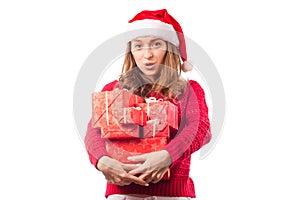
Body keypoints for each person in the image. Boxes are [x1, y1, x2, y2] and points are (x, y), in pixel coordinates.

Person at [84, 9, 212, 200]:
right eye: (138, 46)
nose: (148, 54)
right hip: (122, 194)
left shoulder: (189, 90)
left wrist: (168, 156)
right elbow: (93, 133)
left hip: (171, 195)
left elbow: (200, 129)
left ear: (170, 48)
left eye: (156, 44)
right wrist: (102, 161)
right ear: (131, 51)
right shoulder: (113, 89)